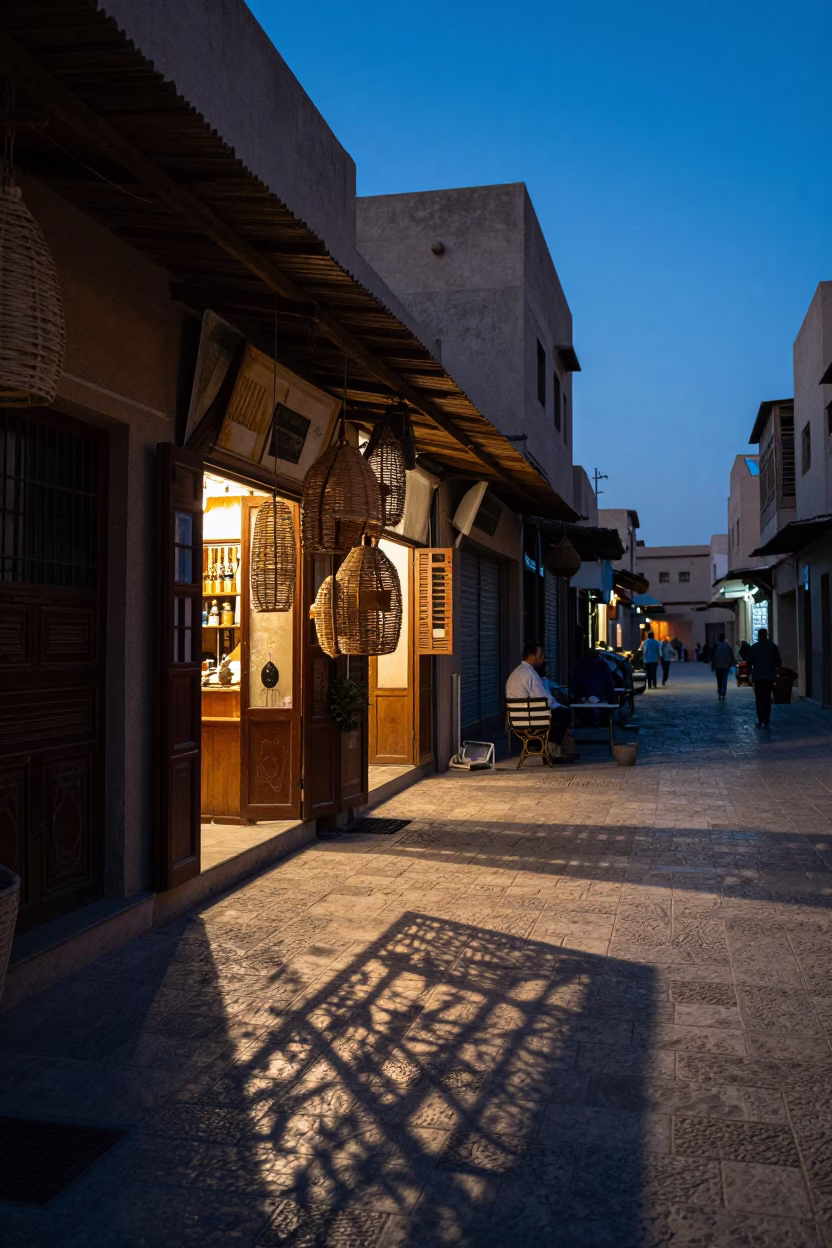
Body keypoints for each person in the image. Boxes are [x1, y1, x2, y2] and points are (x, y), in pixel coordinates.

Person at [506, 641, 578, 758]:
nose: (542, 659)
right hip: (531, 718)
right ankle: (551, 747)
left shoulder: (515, 673)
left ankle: (544, 745)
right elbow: (544, 700)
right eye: (540, 656)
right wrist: (558, 705)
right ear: (530, 656)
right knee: (565, 714)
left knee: (558, 714)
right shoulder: (530, 673)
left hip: (515, 719)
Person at [747, 628, 781, 728]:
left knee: (759, 698)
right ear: (766, 635)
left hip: (758, 676)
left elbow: (749, 662)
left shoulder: (754, 647)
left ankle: (761, 719)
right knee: (767, 698)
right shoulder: (772, 647)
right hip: (769, 676)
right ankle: (767, 718)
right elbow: (778, 661)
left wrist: (748, 675)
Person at [711, 633, 734, 700]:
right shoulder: (727, 646)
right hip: (725, 665)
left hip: (718, 666)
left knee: (719, 680)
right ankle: (724, 691)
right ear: (724, 638)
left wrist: (713, 665)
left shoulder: (716, 646)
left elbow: (713, 656)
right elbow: (731, 655)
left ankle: (720, 690)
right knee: (725, 679)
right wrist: (732, 663)